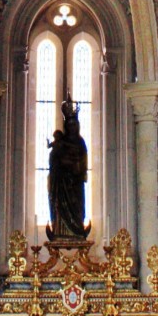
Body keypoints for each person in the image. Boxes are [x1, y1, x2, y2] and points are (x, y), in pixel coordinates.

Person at [46, 97, 89, 240]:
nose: (72, 128)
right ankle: (59, 229)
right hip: (61, 183)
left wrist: (73, 165)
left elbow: (82, 162)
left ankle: (77, 229)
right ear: (66, 126)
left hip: (75, 183)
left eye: (74, 125)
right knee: (60, 207)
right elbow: (53, 159)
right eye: (69, 125)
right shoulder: (60, 142)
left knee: (76, 207)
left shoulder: (80, 142)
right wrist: (60, 162)